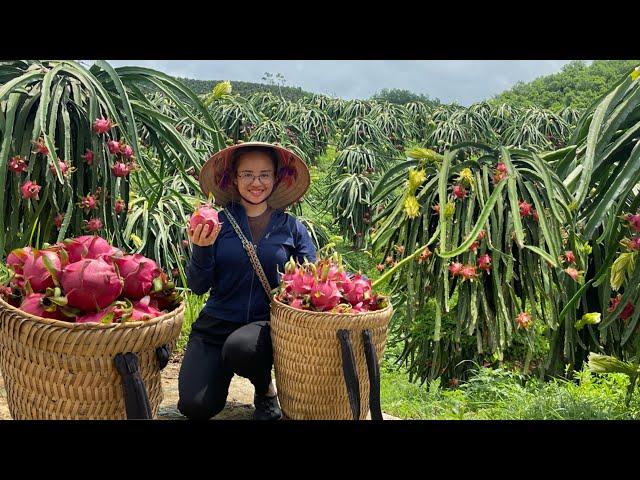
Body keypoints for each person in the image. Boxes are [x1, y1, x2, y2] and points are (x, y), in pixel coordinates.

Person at [177, 141, 317, 420]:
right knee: (195, 406)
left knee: (241, 346)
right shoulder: (216, 222)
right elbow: (198, 286)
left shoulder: (292, 228)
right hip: (215, 325)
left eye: (265, 174)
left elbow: (308, 284)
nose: (257, 182)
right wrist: (201, 248)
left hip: (264, 328)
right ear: (234, 178)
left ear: (276, 178)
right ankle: (219, 374)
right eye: (247, 174)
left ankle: (264, 389)